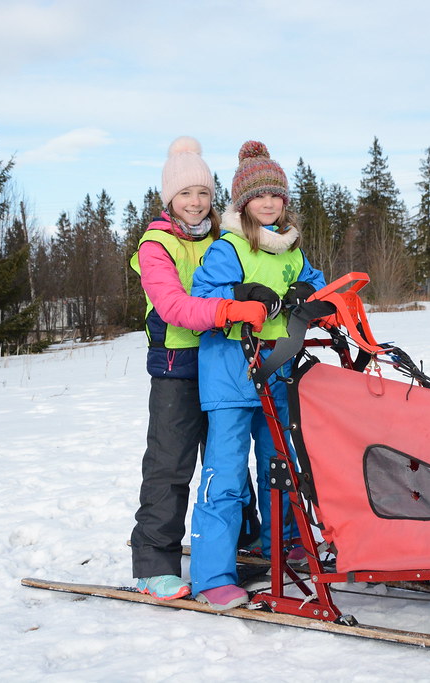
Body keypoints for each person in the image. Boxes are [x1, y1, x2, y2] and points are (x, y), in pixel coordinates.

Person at [189, 140, 326, 610]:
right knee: (226, 475)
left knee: (280, 466)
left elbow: (320, 285)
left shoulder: (291, 250)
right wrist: (240, 292)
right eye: (259, 196)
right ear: (243, 202)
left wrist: (310, 291)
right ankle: (213, 576)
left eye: (275, 195)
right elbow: (201, 299)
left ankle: (283, 546)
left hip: (277, 372)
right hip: (230, 376)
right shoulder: (228, 247)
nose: (268, 204)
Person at [129, 136, 268, 601]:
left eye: (204, 192)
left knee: (228, 461)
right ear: (169, 197)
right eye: (185, 193)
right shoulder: (156, 245)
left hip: (225, 361)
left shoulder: (223, 238)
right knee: (171, 465)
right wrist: (229, 308)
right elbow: (172, 306)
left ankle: (244, 538)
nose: (195, 202)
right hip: (178, 368)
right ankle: (154, 564)